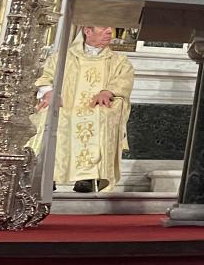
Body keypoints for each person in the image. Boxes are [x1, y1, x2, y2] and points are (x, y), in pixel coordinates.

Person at [31, 27, 134, 193]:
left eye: (111, 28)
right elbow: (45, 76)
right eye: (104, 28)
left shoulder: (119, 61)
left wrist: (108, 92)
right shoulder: (62, 57)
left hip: (97, 106)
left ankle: (88, 177)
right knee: (51, 114)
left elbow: (124, 80)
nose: (109, 32)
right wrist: (49, 93)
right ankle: (48, 175)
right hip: (65, 104)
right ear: (88, 31)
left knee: (102, 115)